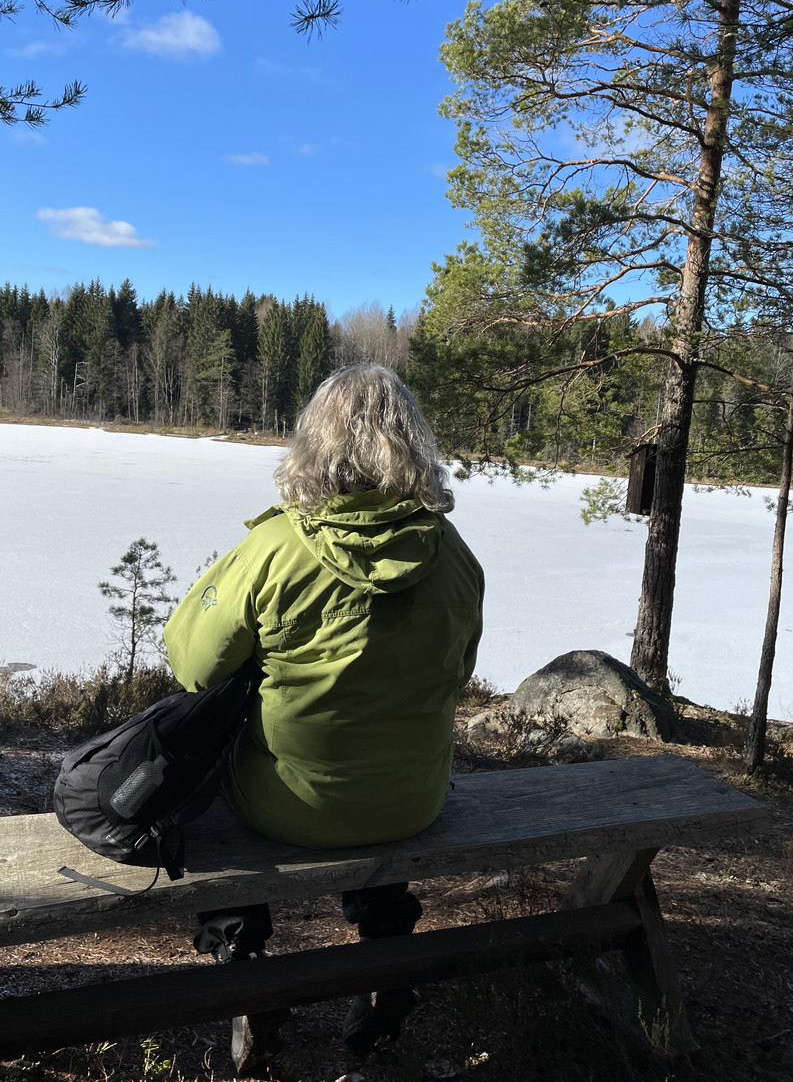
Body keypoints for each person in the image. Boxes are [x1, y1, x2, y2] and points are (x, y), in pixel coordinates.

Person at [164, 364, 484, 1075]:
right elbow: (458, 674)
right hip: (411, 801)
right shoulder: (453, 555)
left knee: (216, 778)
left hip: (286, 808)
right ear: (412, 442)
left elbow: (193, 666)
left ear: (314, 442)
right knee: (373, 768)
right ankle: (385, 960)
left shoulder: (276, 548)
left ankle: (242, 959)